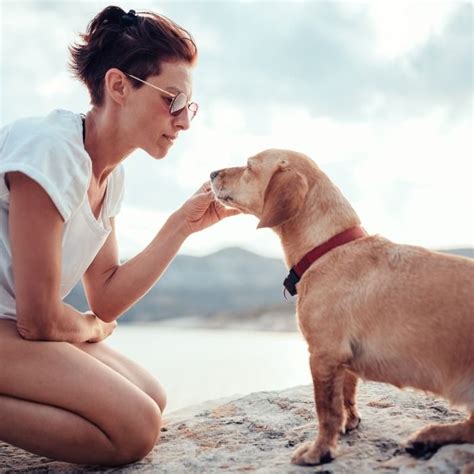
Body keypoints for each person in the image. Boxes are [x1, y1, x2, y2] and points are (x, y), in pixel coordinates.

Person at [0, 6, 239, 466]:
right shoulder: (50, 151)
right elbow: (39, 320)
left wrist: (181, 226)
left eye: (188, 106)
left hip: (13, 328)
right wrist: (88, 327)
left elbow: (106, 293)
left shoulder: (109, 175)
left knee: (152, 395)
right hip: (16, 326)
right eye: (172, 100)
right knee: (134, 429)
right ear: (118, 86)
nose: (184, 121)